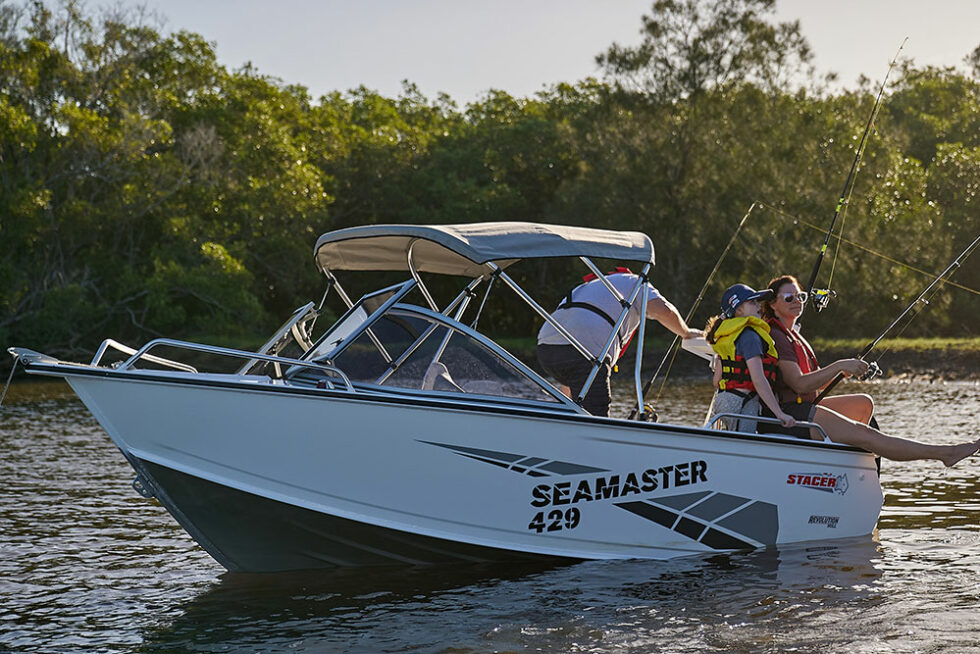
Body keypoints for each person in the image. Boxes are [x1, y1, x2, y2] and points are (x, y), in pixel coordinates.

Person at [759, 274, 980, 466]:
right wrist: (839, 365)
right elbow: (799, 384)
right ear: (772, 305)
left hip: (803, 405)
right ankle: (945, 454)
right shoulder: (777, 336)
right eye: (789, 298)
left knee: (864, 403)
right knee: (866, 435)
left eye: (801, 296)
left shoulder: (794, 335)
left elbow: (814, 384)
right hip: (790, 414)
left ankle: (858, 467)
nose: (797, 301)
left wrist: (841, 373)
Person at [537, 269, 701, 417]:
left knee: (574, 407)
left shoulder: (589, 287)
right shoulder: (634, 281)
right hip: (586, 351)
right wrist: (685, 332)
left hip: (546, 348)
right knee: (596, 414)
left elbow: (571, 368)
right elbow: (663, 310)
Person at [703, 284, 796, 432]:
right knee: (741, 447)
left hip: (725, 401)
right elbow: (758, 379)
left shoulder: (728, 334)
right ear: (738, 309)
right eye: (752, 302)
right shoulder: (750, 336)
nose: (758, 305)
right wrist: (780, 414)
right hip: (741, 403)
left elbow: (716, 381)